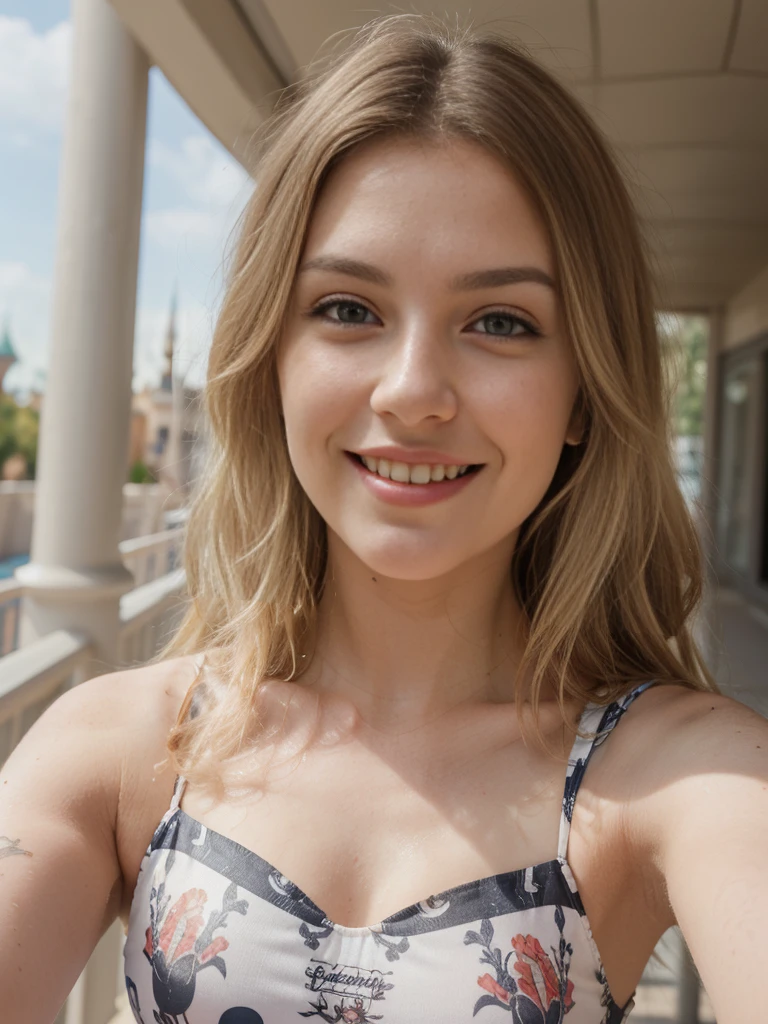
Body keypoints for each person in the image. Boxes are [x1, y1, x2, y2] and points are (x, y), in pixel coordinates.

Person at [2, 15, 766, 1024]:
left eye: (501, 322)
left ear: (586, 390)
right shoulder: (119, 747)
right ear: (272, 360)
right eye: (348, 309)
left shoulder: (680, 773)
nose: (413, 392)